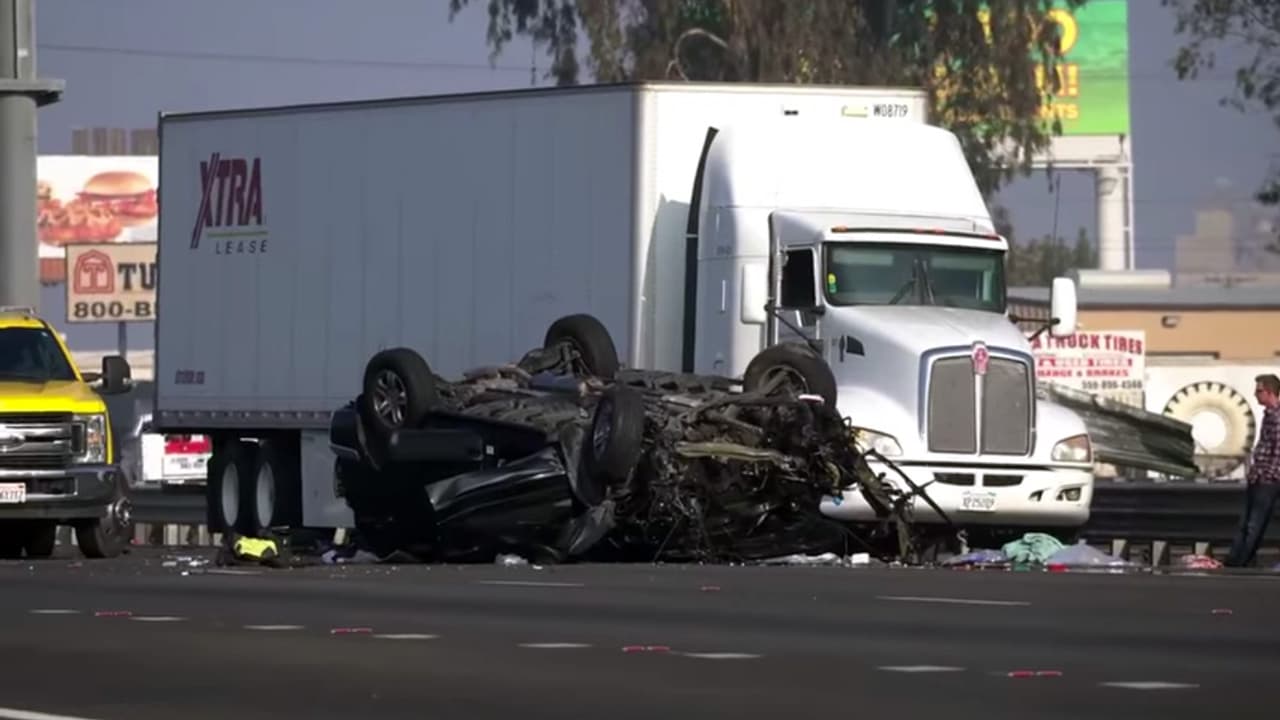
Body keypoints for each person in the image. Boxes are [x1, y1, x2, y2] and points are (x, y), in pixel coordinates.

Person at [1226, 373, 1280, 567]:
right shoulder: (1268, 415)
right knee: (1246, 523)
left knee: (1253, 524)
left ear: (1270, 392)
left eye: (1259, 391)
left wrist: (1268, 475)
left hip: (1267, 480)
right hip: (1259, 476)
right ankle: (1234, 560)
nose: (1255, 395)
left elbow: (1277, 450)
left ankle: (1240, 561)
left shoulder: (1277, 417)